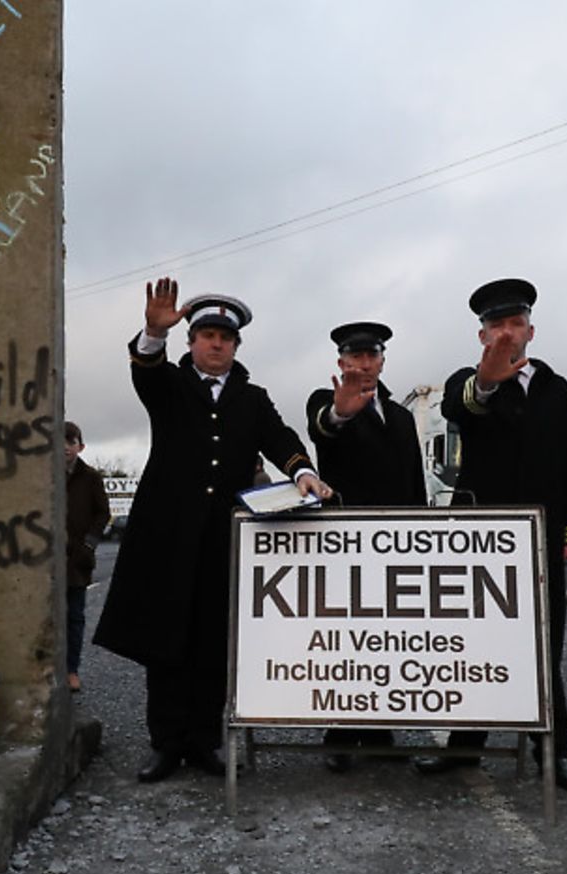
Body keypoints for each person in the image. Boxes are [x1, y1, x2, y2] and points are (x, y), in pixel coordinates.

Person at [94, 278, 332, 783]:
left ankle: (205, 740)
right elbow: (146, 374)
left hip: (224, 540)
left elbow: (281, 438)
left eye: (225, 337)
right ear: (191, 341)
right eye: (205, 335)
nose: (216, 343)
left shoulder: (253, 397)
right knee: (165, 641)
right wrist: (151, 335)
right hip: (169, 534)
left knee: (212, 643)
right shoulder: (171, 386)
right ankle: (165, 744)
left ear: (236, 345)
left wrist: (302, 471)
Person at [419, 278, 567, 794]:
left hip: (540, 539)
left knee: (545, 647)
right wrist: (486, 382)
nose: (507, 333)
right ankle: (463, 748)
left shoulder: (557, 389)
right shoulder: (468, 383)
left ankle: (553, 752)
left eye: (515, 324)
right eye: (497, 325)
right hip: (484, 541)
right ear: (482, 336)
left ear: (530, 330)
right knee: (478, 644)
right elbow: (458, 407)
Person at [305, 320, 426, 773]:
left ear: (381, 360)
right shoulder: (325, 401)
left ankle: (379, 733)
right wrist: (342, 412)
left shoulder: (401, 416)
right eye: (354, 357)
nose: (363, 364)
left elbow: (413, 479)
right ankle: (339, 735)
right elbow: (324, 429)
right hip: (347, 545)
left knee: (390, 639)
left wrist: (421, 534)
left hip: (396, 544)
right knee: (346, 641)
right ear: (341, 362)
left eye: (371, 356)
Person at [62, 421, 111, 692]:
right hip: (47, 558)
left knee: (75, 617)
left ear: (80, 446)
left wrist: (89, 545)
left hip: (77, 559)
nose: (65, 448)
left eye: (71, 442)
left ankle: (71, 670)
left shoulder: (90, 477)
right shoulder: (42, 473)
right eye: (60, 441)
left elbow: (102, 513)